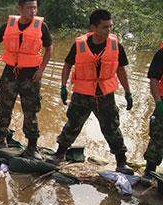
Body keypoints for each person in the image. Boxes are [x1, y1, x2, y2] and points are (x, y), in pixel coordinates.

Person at [49, 9, 134, 174]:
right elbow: (67, 65)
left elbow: (121, 70)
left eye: (110, 26)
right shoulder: (80, 45)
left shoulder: (116, 45)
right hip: (82, 93)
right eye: (104, 27)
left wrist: (128, 92)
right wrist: (63, 86)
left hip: (105, 95)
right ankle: (59, 154)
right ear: (93, 28)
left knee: (111, 127)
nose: (108, 30)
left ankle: (121, 162)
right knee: (73, 124)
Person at [0, 0, 53, 159]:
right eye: (29, 8)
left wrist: (41, 71)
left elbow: (49, 48)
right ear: (19, 9)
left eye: (35, 7)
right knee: (4, 106)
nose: (33, 11)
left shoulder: (41, 26)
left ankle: (32, 147)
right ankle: (0, 138)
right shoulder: (9, 25)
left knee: (30, 110)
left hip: (31, 74)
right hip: (10, 72)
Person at [141, 42, 163, 183]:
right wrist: (158, 101)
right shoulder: (161, 53)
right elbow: (154, 78)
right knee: (158, 136)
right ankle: (149, 172)